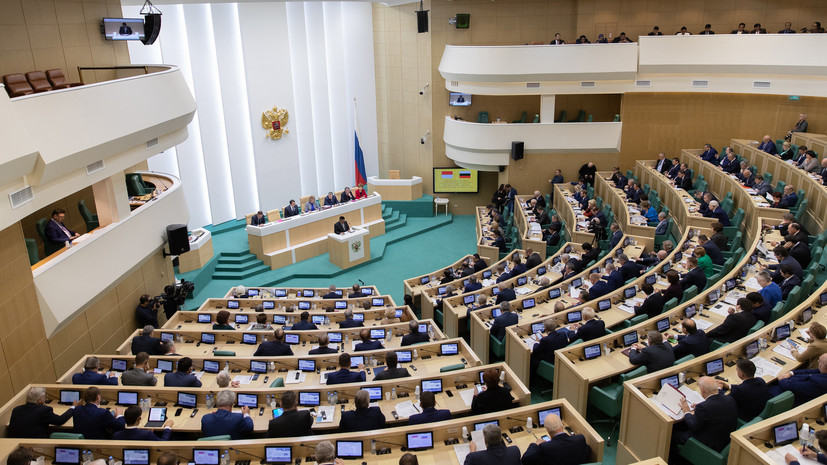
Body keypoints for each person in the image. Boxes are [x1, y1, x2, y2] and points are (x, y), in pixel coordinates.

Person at [675, 376, 738, 454]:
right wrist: (704, 404)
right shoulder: (730, 399)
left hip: (708, 445)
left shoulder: (703, 408)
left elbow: (694, 427)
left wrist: (686, 411)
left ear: (702, 390)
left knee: (673, 434)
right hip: (725, 440)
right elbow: (716, 404)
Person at [520, 413, 591, 465]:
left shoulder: (545, 447)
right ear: (562, 425)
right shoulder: (579, 439)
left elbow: (525, 459)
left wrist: (535, 444)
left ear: (547, 430)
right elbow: (586, 451)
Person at [8, 387, 76, 438]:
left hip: (15, 444)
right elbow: (60, 420)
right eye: (44, 398)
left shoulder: (16, 410)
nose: (46, 399)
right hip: (35, 444)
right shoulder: (44, 410)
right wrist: (73, 407)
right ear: (39, 400)